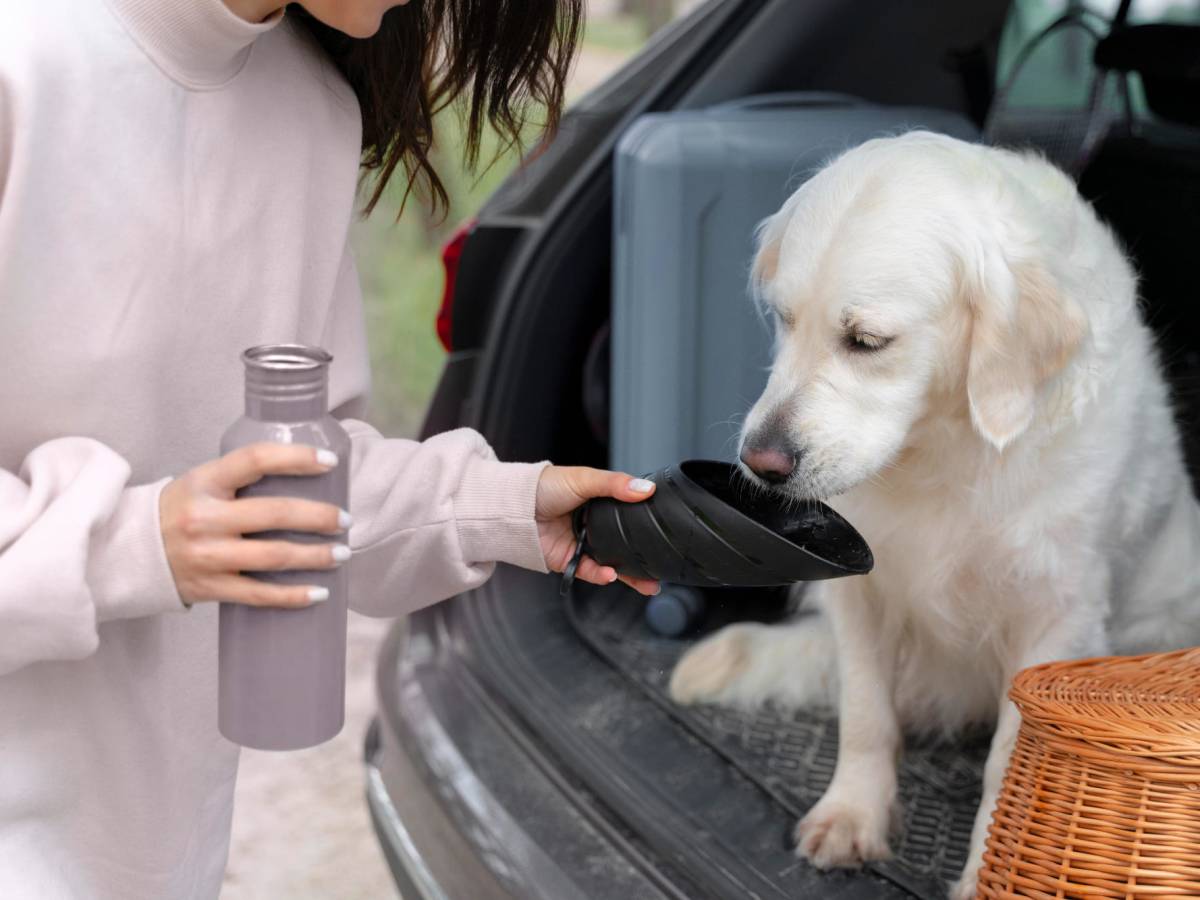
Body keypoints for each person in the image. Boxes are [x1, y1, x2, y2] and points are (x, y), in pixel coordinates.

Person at [0, 0, 659, 896]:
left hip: (156, 847)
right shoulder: (23, 58)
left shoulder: (310, 114)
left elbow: (302, 470)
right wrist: (135, 544)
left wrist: (501, 508)